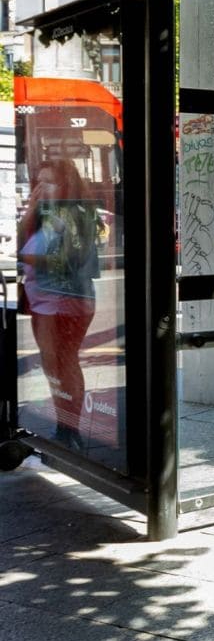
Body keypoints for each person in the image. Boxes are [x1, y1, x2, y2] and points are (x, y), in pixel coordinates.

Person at [17, 158, 101, 451]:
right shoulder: (45, 211)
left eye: (49, 181)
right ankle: (63, 424)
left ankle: (70, 429)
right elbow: (21, 241)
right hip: (42, 300)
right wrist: (31, 209)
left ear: (66, 184)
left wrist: (27, 258)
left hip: (67, 302)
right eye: (38, 181)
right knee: (52, 364)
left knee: (65, 362)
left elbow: (66, 261)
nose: (41, 187)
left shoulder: (75, 213)